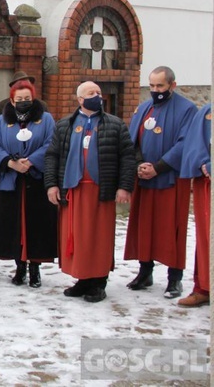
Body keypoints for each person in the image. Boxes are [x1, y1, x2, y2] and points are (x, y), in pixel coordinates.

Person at [44, 81, 135, 303]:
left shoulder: (115, 124)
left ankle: (98, 282)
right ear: (79, 99)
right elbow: (52, 156)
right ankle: (83, 279)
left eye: (98, 92)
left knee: (98, 238)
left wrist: (124, 186)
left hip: (100, 191)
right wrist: (52, 184)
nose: (96, 95)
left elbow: (128, 157)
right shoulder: (65, 124)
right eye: (90, 93)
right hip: (72, 190)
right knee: (77, 237)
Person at [125, 66, 197, 299]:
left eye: (160, 86)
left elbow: (185, 143)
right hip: (144, 178)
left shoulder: (187, 109)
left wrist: (158, 167)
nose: (155, 91)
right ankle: (145, 272)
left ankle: (174, 279)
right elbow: (132, 138)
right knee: (144, 225)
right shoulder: (144, 107)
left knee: (171, 228)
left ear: (172, 86)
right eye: (152, 86)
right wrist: (139, 164)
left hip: (171, 178)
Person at [0, 79, 57, 288]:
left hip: (36, 179)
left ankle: (35, 269)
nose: (24, 101)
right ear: (12, 100)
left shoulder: (45, 119)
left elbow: (51, 143)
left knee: (37, 225)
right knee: (14, 224)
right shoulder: (1, 120)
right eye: (19, 99)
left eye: (27, 98)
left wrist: (31, 161)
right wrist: (10, 162)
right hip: (11, 179)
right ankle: (19, 267)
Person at [177, 103, 211, 307]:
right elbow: (195, 145)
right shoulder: (208, 112)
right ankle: (204, 287)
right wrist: (204, 164)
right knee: (207, 236)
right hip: (208, 184)